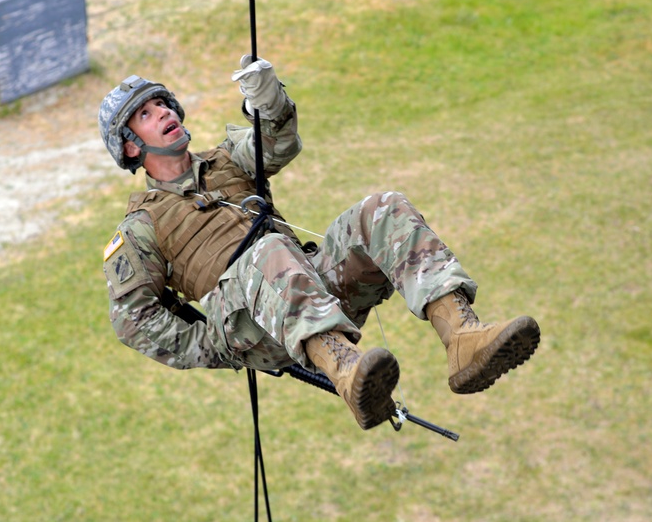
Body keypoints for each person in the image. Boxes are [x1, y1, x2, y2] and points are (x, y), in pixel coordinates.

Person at [98, 56, 540, 430]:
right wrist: (216, 346)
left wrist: (269, 102)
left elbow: (278, 144)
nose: (163, 113)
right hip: (256, 330)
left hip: (311, 290)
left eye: (162, 104)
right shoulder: (141, 228)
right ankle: (347, 373)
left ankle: (462, 337)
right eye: (145, 114)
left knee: (381, 209)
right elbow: (133, 320)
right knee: (268, 252)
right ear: (131, 147)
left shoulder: (228, 158)